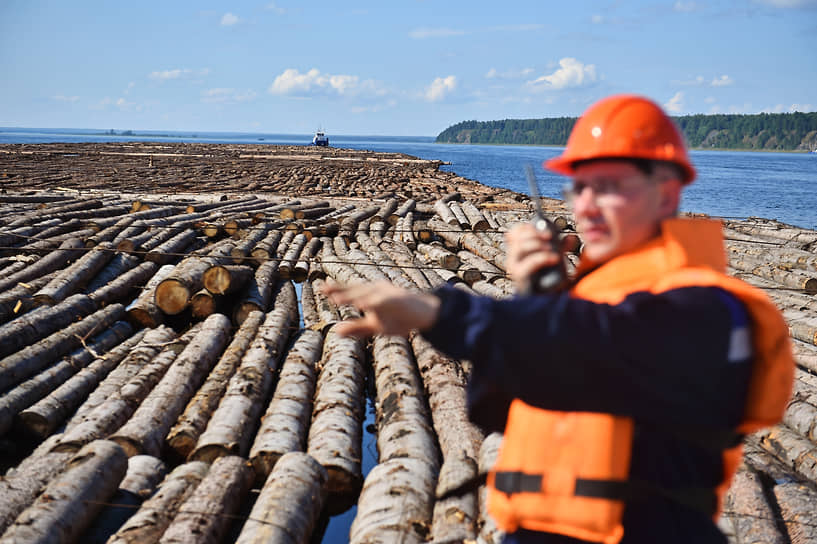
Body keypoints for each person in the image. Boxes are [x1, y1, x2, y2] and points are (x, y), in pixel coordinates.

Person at [324, 94, 794, 544]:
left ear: (667, 191)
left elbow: (598, 345)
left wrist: (440, 310)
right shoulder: (584, 305)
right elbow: (494, 408)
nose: (585, 205)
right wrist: (535, 299)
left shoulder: (709, 307)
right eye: (580, 186)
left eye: (608, 186)